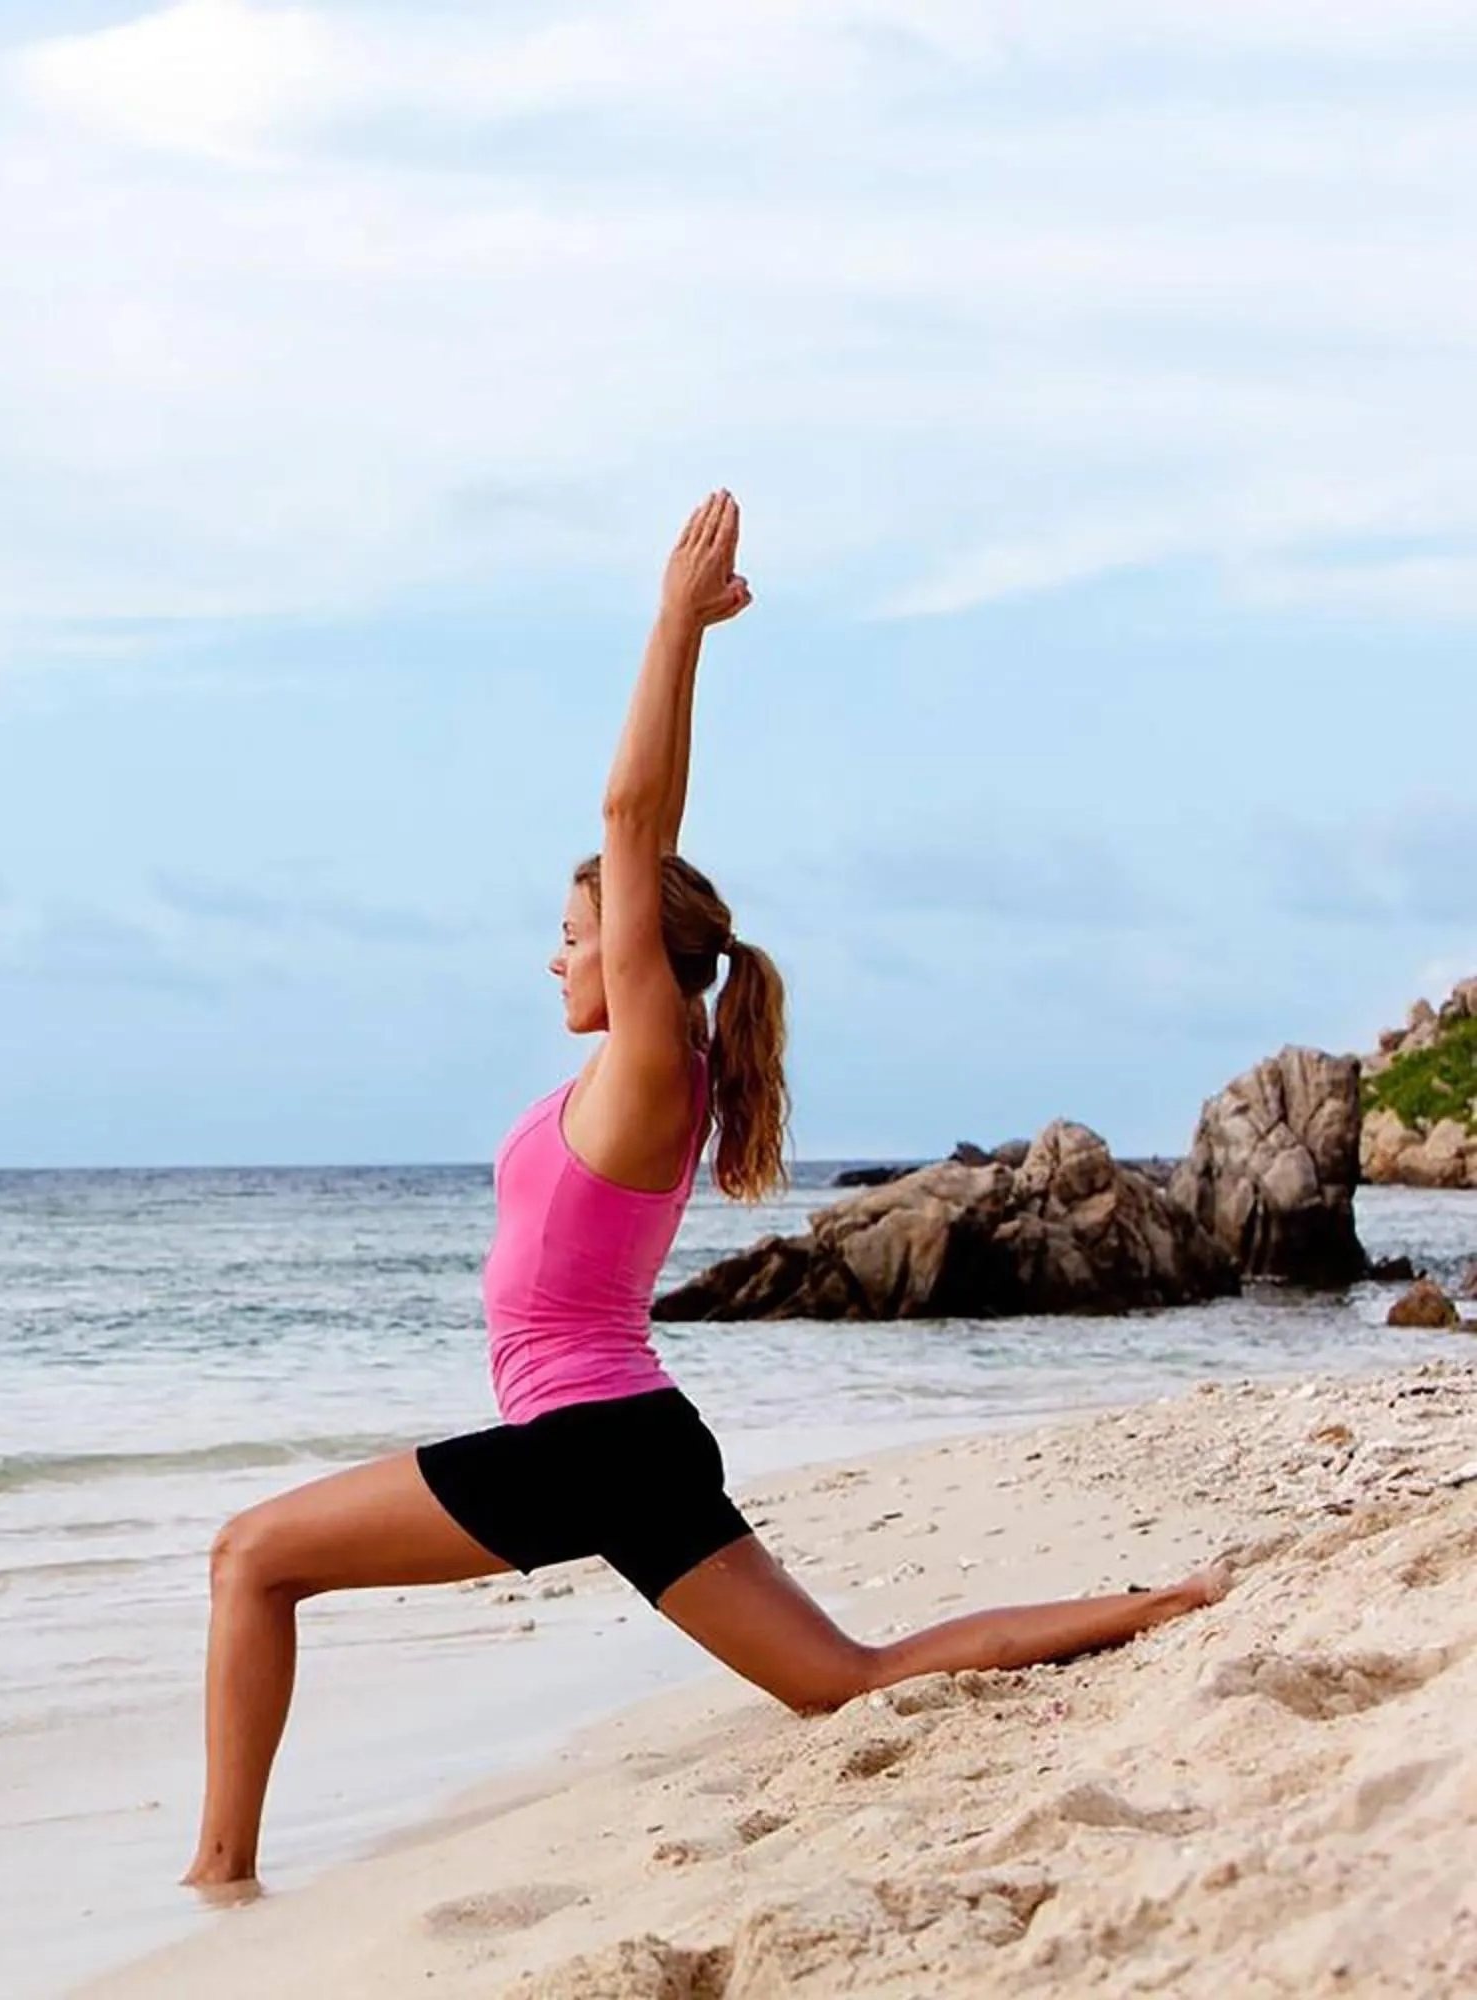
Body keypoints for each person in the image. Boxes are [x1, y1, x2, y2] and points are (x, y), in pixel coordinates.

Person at [180, 491, 1226, 1894]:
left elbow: (632, 812)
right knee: (846, 1679)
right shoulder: (644, 1082)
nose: (554, 962)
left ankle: (218, 1874)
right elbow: (635, 846)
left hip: (593, 1441)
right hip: (631, 1444)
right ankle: (1171, 1604)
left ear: (630, 957)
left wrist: (673, 626)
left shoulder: (648, 1071)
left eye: (572, 938)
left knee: (252, 1554)